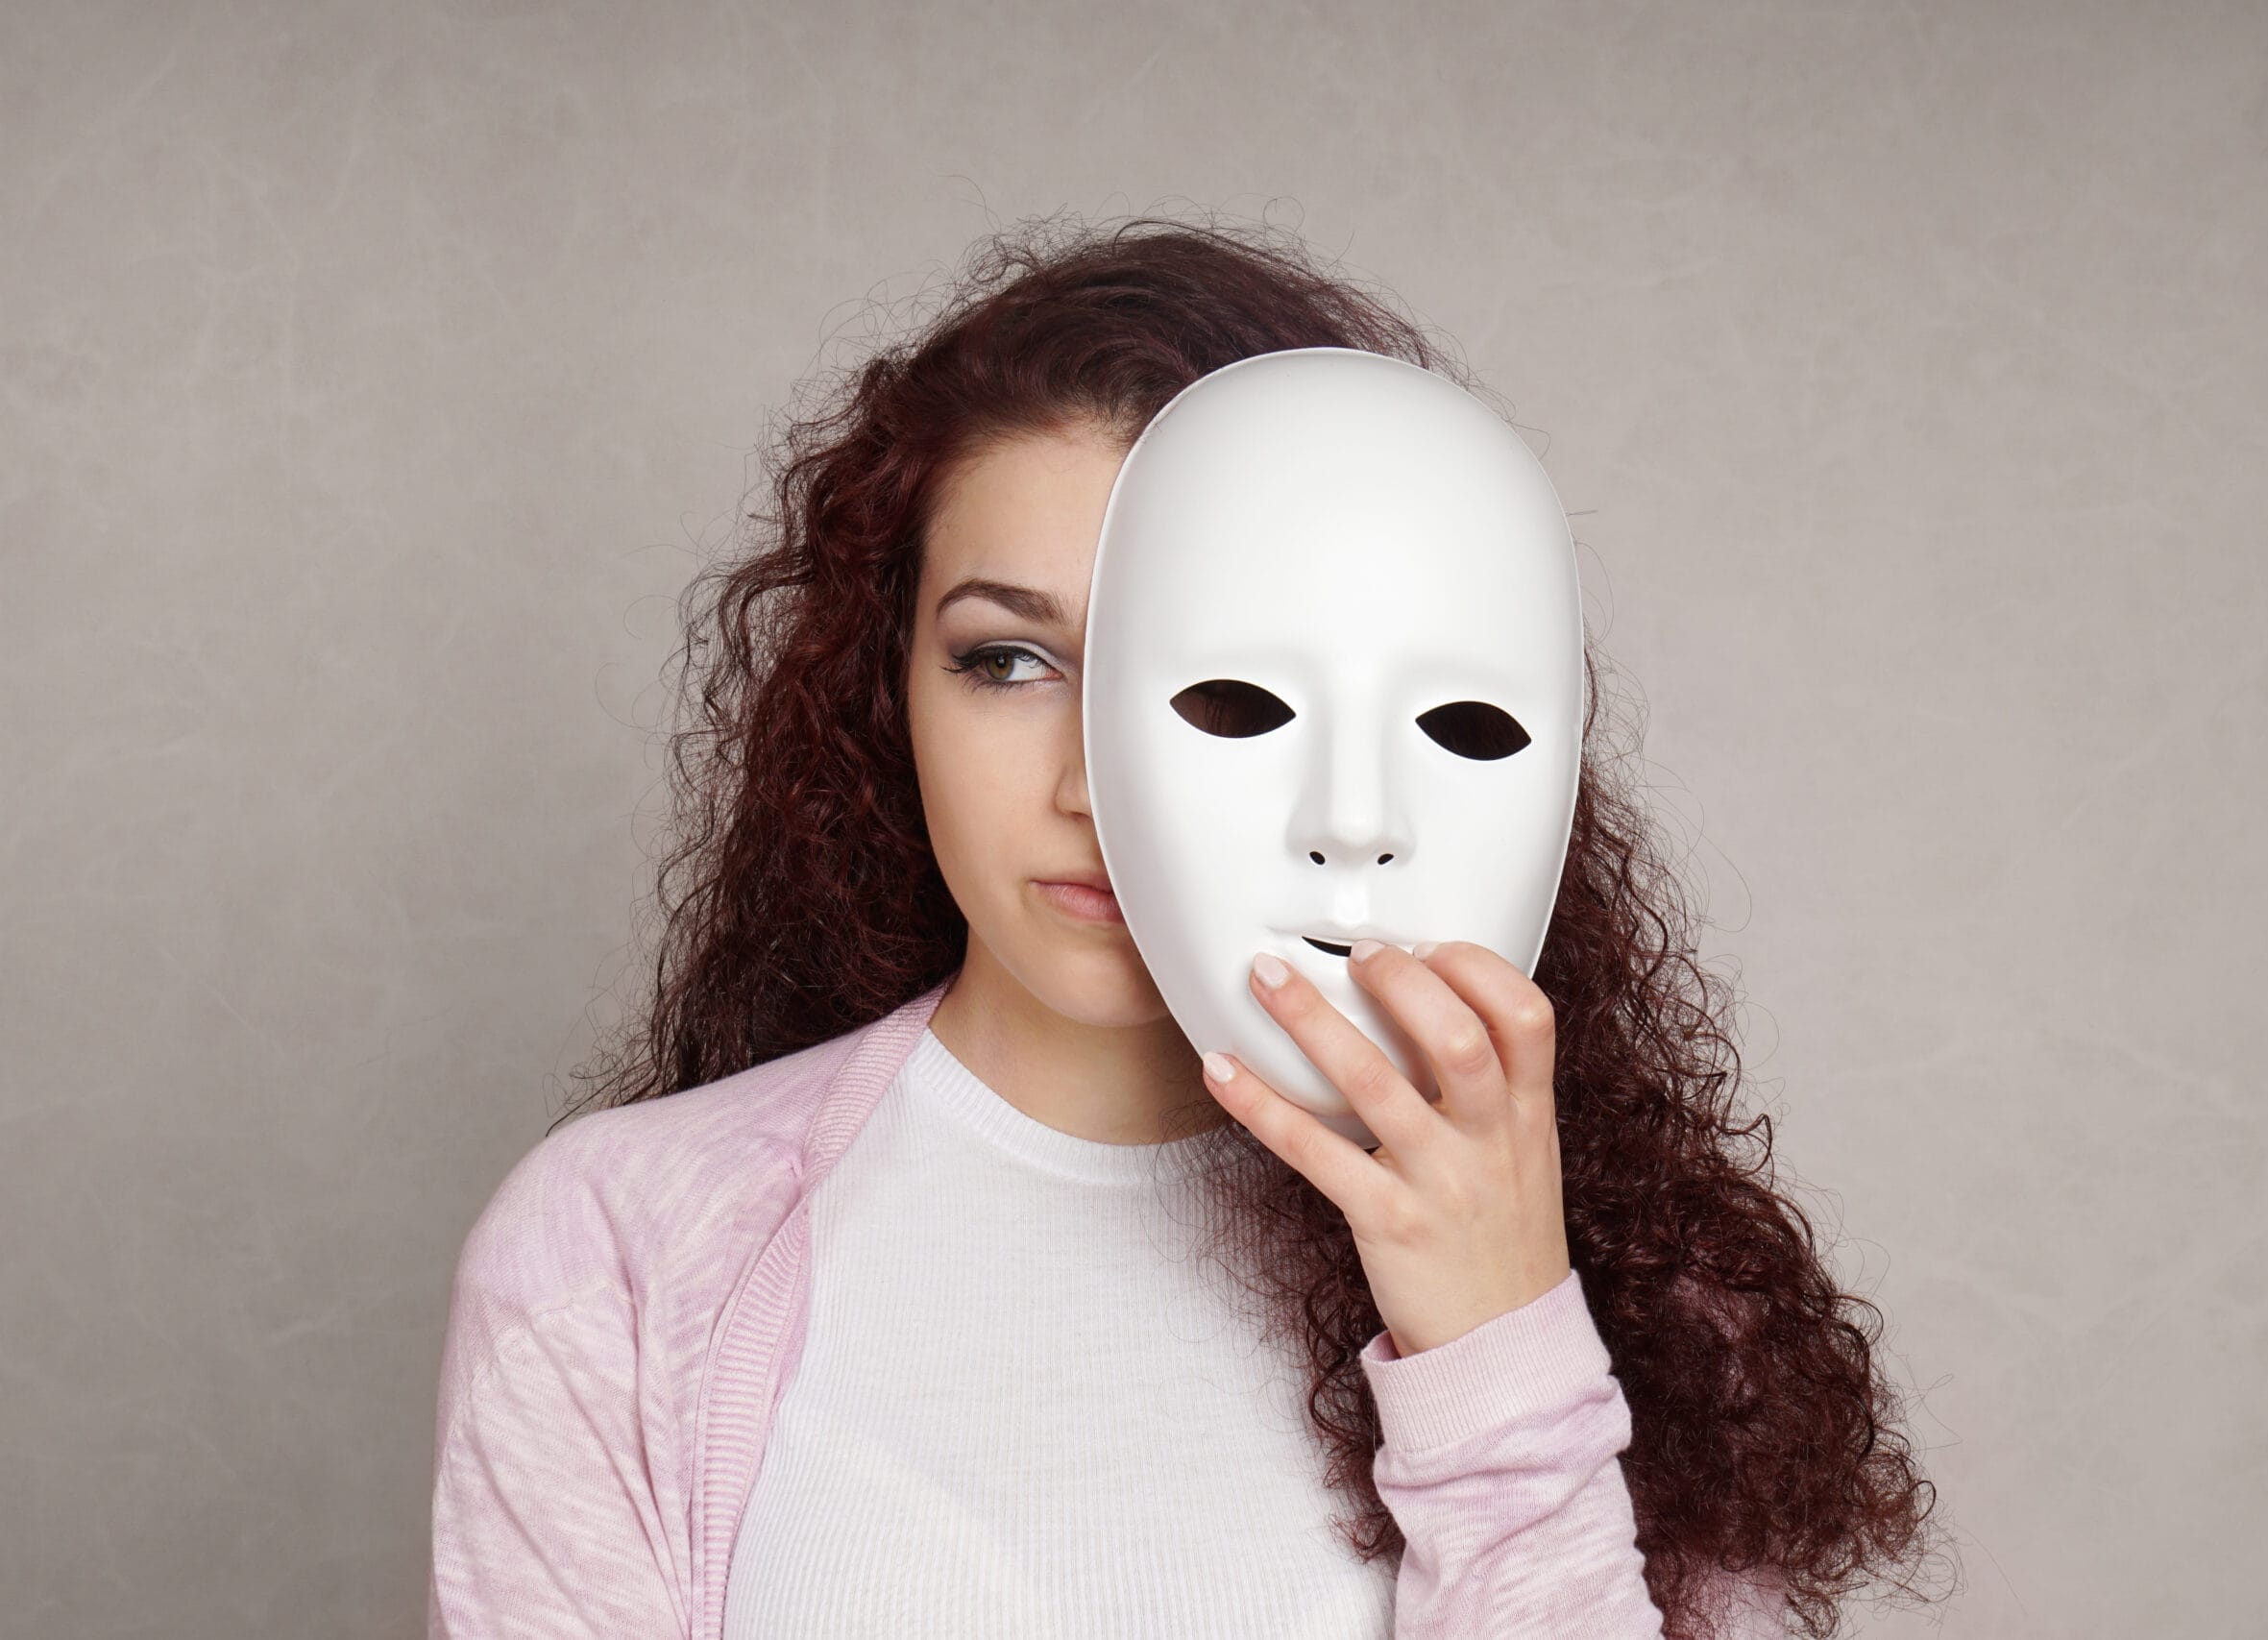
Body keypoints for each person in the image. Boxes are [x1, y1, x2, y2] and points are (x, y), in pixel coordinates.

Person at [427, 215, 1943, 1639]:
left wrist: (1498, 1348)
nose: (1094, 785)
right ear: (883, 691)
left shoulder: (1632, 1304)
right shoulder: (621, 1255)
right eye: (1011, 661)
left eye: (1211, 687)